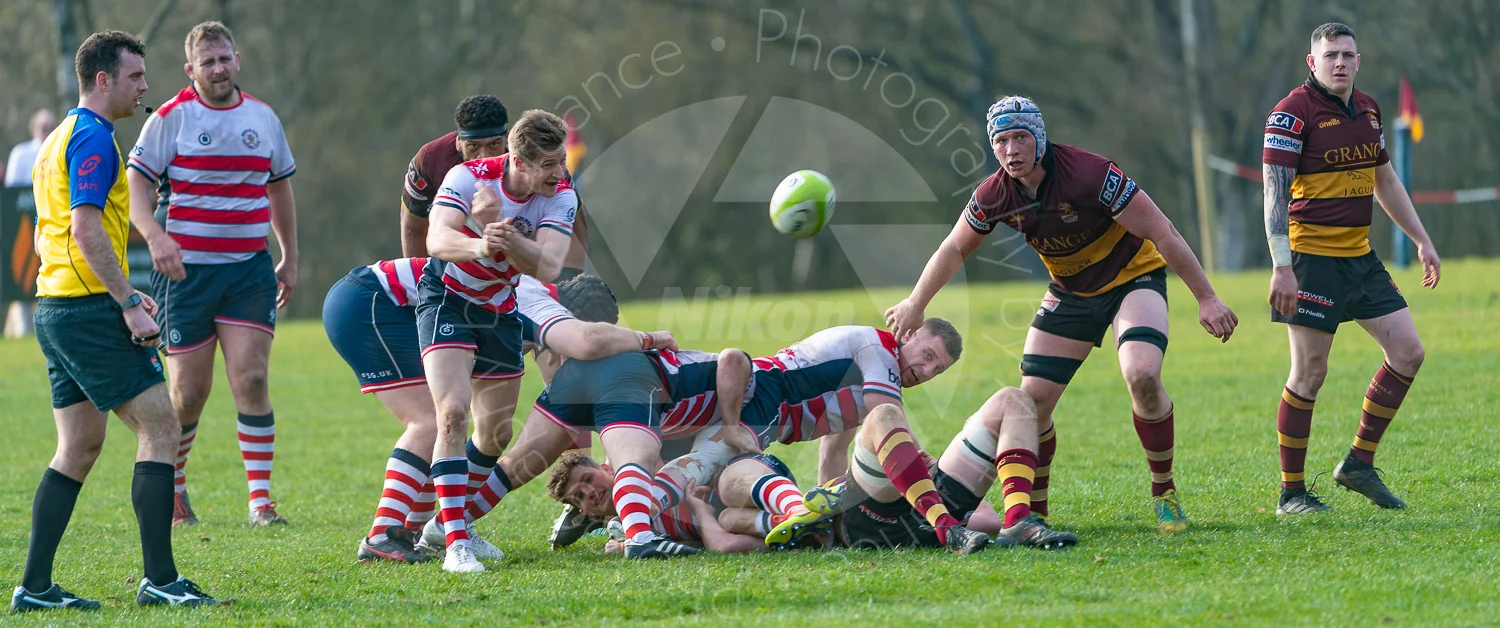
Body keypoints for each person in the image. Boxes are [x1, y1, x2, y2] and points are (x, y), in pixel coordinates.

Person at [885, 95, 1239, 534]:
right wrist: (916, 303)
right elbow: (955, 247)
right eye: (1001, 141)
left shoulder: (1091, 175)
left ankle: (1163, 491)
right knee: (1029, 404)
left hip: (1133, 278)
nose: (1011, 149)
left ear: (1039, 137)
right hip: (1071, 294)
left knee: (1143, 374)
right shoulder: (994, 194)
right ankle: (1035, 511)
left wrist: (1207, 298)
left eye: (1020, 137)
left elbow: (1161, 230)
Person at [13, 30, 219, 613]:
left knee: (78, 445)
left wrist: (122, 295)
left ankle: (35, 588)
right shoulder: (95, 139)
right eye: (135, 77)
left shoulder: (57, 139)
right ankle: (161, 579)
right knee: (161, 425)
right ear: (103, 80)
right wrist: (128, 301)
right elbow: (84, 229)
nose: (144, 87)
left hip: (55, 305)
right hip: (86, 310)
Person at [321, 257, 674, 563]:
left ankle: (421, 529)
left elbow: (564, 392)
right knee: (434, 421)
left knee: (493, 431)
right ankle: (384, 533)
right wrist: (651, 340)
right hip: (375, 299)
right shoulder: (538, 304)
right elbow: (588, 345)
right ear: (576, 316)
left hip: (376, 301)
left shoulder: (530, 316)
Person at [125, 21, 298, 527]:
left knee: (252, 377)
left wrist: (290, 254)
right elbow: (136, 187)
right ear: (190, 70)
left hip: (248, 270)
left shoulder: (263, 118)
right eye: (208, 62)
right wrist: (156, 239)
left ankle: (261, 503)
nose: (218, 69)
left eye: (224, 59)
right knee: (189, 393)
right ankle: (176, 491)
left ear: (237, 60)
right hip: (186, 277)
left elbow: (280, 189)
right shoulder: (169, 118)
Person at [1261, 23, 1438, 515]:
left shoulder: (1368, 109)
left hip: (1359, 258)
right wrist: (1282, 268)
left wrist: (1421, 239)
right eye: (1330, 55)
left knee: (1408, 351)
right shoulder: (1291, 115)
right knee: (1310, 372)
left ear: (1359, 61)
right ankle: (1291, 493)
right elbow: (1274, 199)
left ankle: (1358, 463)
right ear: (1311, 62)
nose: (1339, 62)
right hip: (1310, 261)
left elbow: (1384, 179)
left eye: (1348, 55)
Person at [418, 109, 580, 573]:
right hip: (447, 297)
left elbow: (548, 267)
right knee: (451, 414)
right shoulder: (468, 176)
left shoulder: (561, 195)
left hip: (501, 307)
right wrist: (481, 245)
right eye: (548, 163)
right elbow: (437, 238)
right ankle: (455, 544)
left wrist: (504, 236)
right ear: (519, 162)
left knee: (495, 434)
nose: (559, 172)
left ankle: (444, 525)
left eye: (561, 160)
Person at [806, 391, 1078, 553]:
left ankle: (1018, 520)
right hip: (872, 521)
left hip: (932, 522)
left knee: (1014, 399)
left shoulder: (969, 521)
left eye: (938, 367)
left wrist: (933, 470)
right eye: (928, 358)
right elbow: (831, 449)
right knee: (883, 414)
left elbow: (987, 522)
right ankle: (945, 527)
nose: (929, 370)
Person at [400, 96, 590, 280]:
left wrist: (573, 281)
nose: (483, 155)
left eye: (494, 144)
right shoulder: (431, 160)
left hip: (518, 260)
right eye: (473, 146)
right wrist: (417, 287)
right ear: (459, 142)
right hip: (457, 263)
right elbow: (414, 229)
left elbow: (573, 227)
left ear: (507, 141)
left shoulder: (544, 163)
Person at [548, 451, 820, 553]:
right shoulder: (635, 534)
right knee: (726, 535)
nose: (590, 492)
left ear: (607, 470)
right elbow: (707, 544)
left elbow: (647, 439)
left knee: (728, 488)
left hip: (748, 473)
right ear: (582, 510)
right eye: (580, 497)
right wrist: (700, 511)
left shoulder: (640, 469)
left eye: (588, 479)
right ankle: (804, 534)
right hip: (737, 516)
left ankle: (796, 510)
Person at [5, 109, 56, 187]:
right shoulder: (20, 153)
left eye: (52, 128)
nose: (48, 132)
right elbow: (11, 187)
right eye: (44, 128)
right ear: (33, 129)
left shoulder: (61, 152)